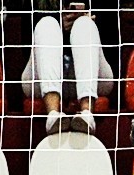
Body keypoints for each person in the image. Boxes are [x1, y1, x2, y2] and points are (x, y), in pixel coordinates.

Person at [22, 0, 114, 135]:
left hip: (92, 76)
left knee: (84, 25)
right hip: (42, 78)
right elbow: (25, 46)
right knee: (47, 23)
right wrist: (61, 25)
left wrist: (94, 21)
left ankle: (87, 114)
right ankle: (53, 115)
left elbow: (113, 47)